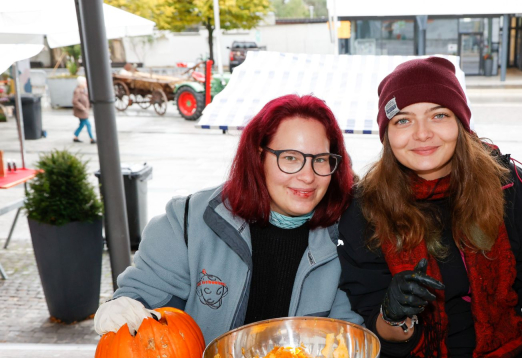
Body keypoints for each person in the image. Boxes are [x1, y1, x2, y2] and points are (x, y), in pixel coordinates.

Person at [337, 57, 522, 358]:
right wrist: (391, 315)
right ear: (387, 133)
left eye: (439, 115)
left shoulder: (508, 185)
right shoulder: (365, 207)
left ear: (460, 122)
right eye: (403, 120)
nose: (422, 134)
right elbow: (375, 333)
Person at [93, 94, 363, 344]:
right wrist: (124, 308)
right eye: (290, 158)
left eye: (321, 160)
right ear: (258, 157)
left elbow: (350, 332)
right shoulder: (186, 222)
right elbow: (140, 298)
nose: (307, 176)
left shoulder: (345, 237)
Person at [72, 76, 96, 144]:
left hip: (84, 111)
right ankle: (92, 138)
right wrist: (83, 108)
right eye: (85, 82)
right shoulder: (77, 91)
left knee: (82, 124)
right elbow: (74, 101)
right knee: (88, 124)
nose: (86, 83)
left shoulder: (84, 90)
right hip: (81, 112)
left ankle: (75, 136)